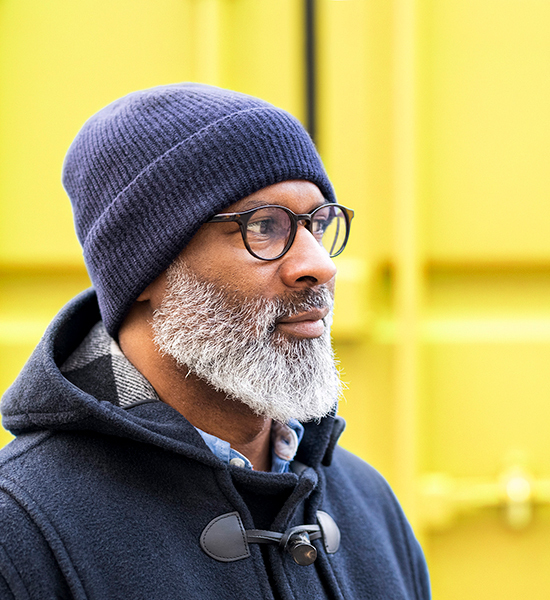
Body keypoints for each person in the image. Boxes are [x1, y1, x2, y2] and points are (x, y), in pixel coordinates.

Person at [0, 83, 430, 599]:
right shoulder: (22, 528)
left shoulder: (366, 501)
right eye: (264, 226)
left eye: (317, 224)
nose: (319, 264)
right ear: (144, 272)